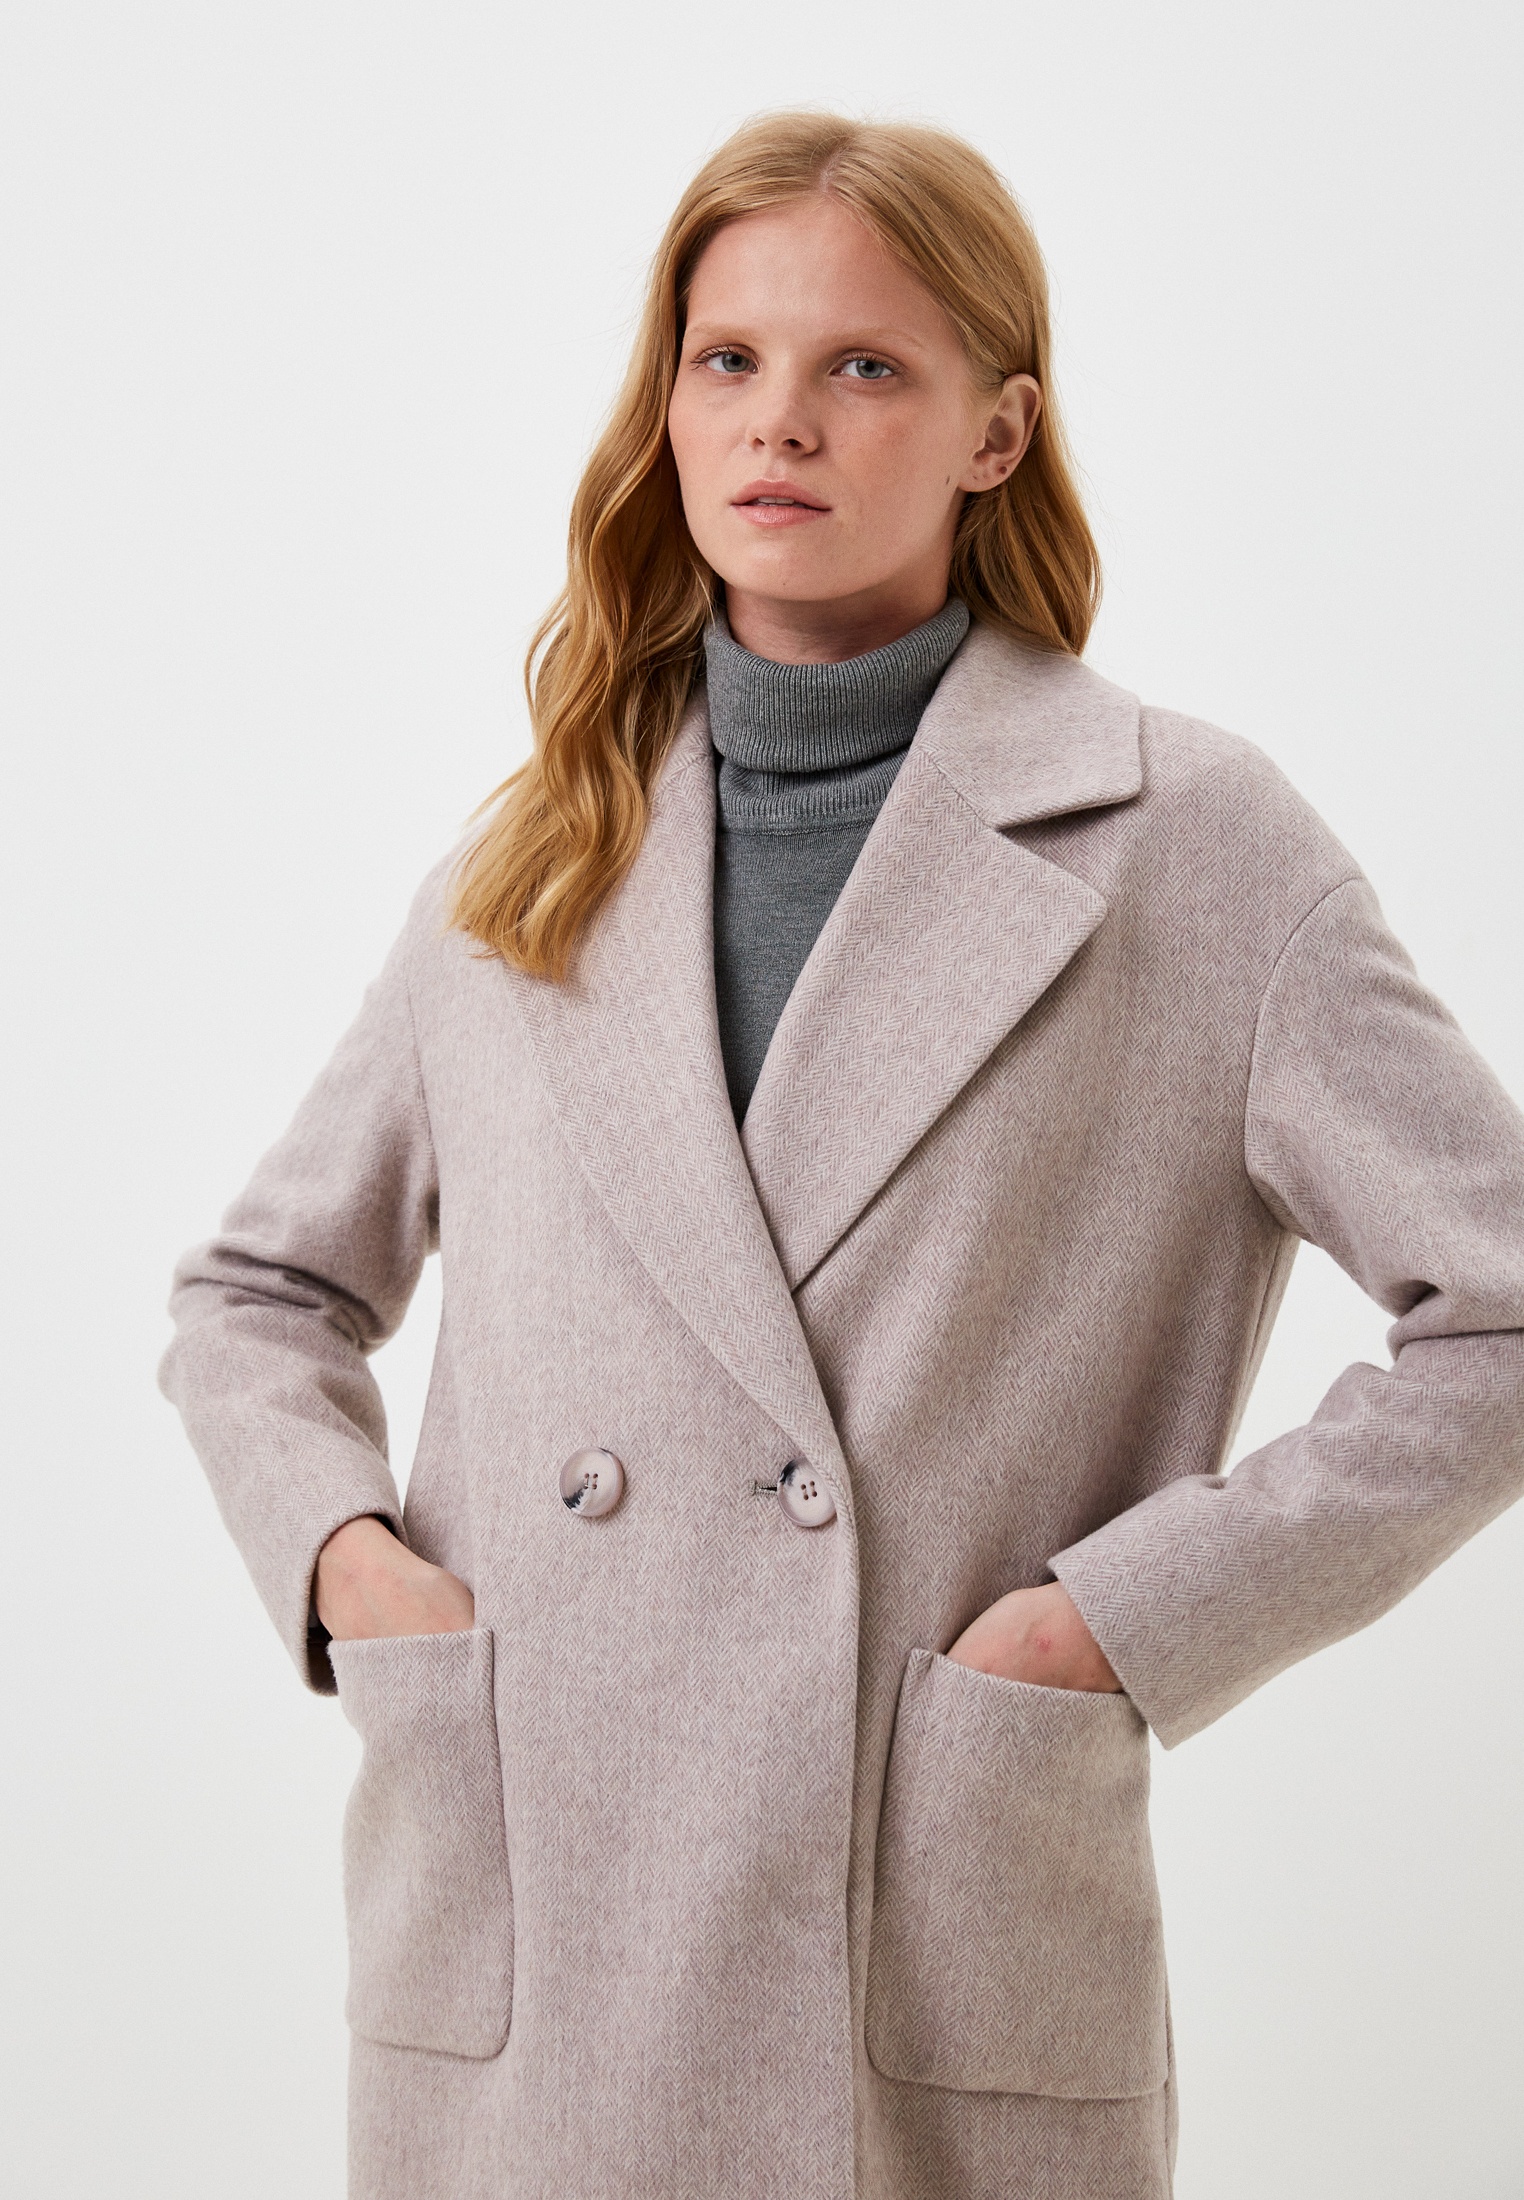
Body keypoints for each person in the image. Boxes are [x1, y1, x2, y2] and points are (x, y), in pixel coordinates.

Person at [159, 110, 1524, 2200]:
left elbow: (1498, 1315)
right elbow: (258, 1293)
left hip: (927, 1931)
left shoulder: (1190, 845)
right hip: (530, 1918)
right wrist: (354, 1568)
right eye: (727, 359)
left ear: (998, 430)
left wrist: (1119, 1621)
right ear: (668, 403)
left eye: (863, 364)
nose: (778, 419)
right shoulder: (534, 856)